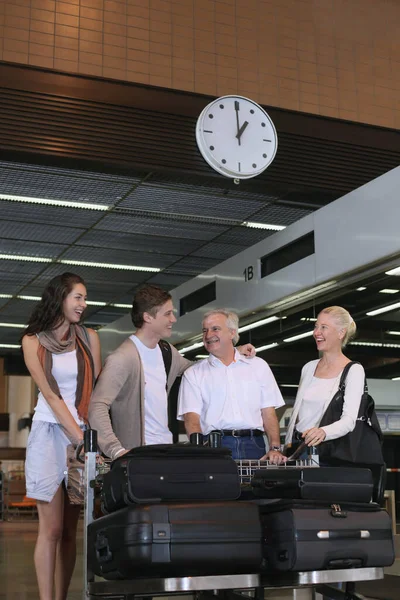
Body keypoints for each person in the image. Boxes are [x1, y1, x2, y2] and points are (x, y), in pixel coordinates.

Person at [88, 285, 255, 459]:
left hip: (165, 449)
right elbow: (97, 406)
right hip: (138, 456)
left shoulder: (166, 351)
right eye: (167, 314)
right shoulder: (122, 358)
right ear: (148, 317)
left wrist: (234, 351)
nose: (173, 319)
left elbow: (197, 369)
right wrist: (116, 450)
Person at [22, 273, 101, 600]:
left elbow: (95, 390)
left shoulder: (90, 338)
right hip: (49, 435)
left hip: (82, 437)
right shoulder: (32, 341)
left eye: (84, 298)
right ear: (60, 297)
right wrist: (81, 437)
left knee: (71, 531)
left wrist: (91, 437)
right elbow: (51, 396)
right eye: (78, 297)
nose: (84, 304)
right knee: (51, 529)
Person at [177, 309, 286, 463]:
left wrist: (275, 448)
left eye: (215, 329)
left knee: (256, 487)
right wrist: (200, 451)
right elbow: (191, 419)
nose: (208, 335)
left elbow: (268, 412)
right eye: (205, 330)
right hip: (214, 445)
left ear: (232, 333)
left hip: (254, 444)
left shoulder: (258, 366)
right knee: (219, 488)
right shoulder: (193, 373)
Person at [284, 306, 364, 459]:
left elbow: (349, 421)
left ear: (341, 333)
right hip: (300, 448)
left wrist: (323, 432)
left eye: (324, 327)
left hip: (327, 452)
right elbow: (298, 414)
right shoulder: (309, 368)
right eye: (316, 327)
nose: (316, 333)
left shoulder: (353, 370)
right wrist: (286, 448)